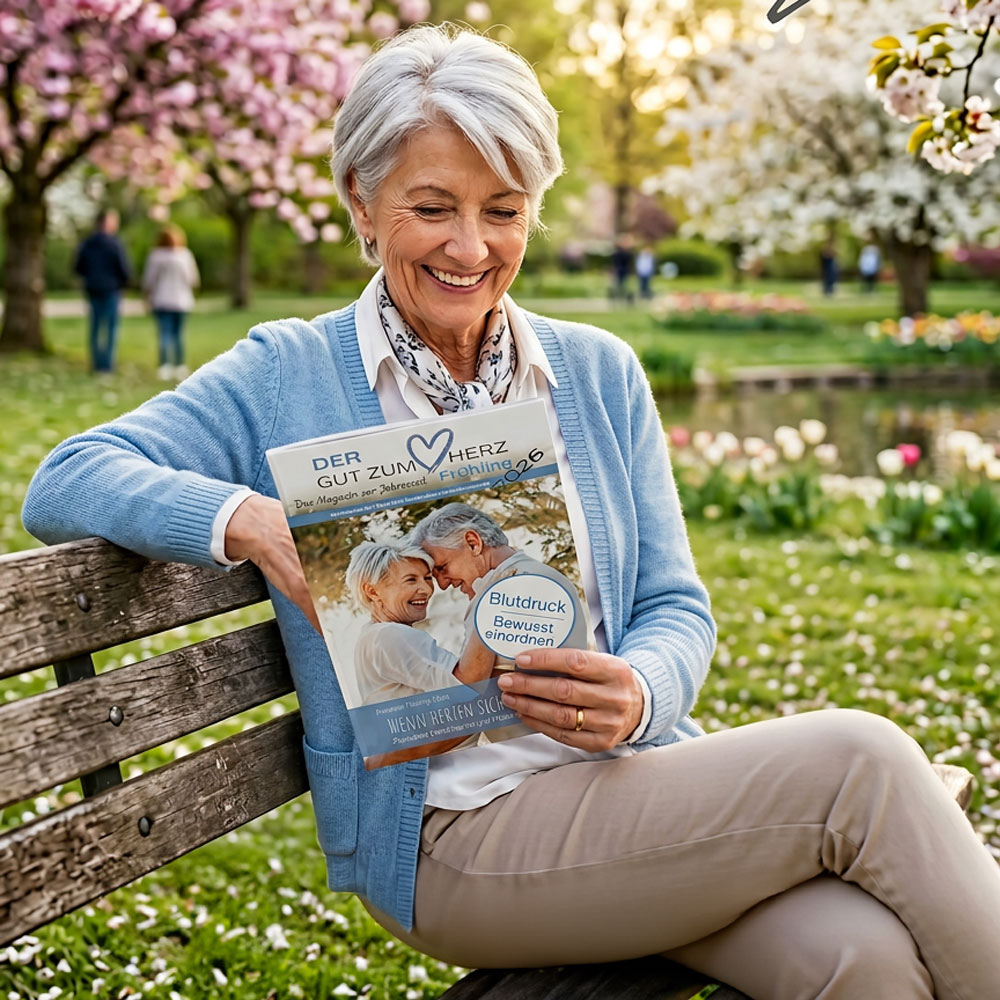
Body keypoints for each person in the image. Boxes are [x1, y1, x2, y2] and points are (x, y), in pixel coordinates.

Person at [21, 25, 1000, 999]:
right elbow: (68, 475)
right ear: (361, 201)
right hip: (449, 837)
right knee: (860, 762)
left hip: (627, 783)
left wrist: (642, 690)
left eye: (503, 209)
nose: (470, 246)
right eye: (432, 207)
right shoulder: (288, 372)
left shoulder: (597, 371)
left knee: (860, 964)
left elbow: (674, 604)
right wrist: (253, 520)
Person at [408, 502, 591, 666]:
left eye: (442, 567)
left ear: (473, 543)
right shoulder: (535, 575)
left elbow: (481, 686)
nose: (442, 584)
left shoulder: (507, 588)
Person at [345, 540, 496, 705]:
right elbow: (468, 685)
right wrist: (491, 603)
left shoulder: (369, 637)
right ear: (373, 591)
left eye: (427, 578)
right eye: (411, 580)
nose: (427, 589)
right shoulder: (389, 635)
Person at [73, 208, 132, 373]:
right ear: (107, 222)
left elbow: (78, 267)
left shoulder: (87, 244)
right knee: (111, 329)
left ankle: (96, 363)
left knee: (95, 327)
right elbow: (124, 269)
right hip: (111, 290)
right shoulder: (114, 244)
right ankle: (106, 365)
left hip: (93, 289)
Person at [142, 224, 201, 381]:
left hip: (161, 300)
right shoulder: (184, 255)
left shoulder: (156, 256)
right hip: (181, 301)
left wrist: (147, 297)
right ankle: (179, 365)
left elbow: (149, 280)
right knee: (178, 334)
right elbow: (193, 279)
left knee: (164, 334)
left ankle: (164, 366)